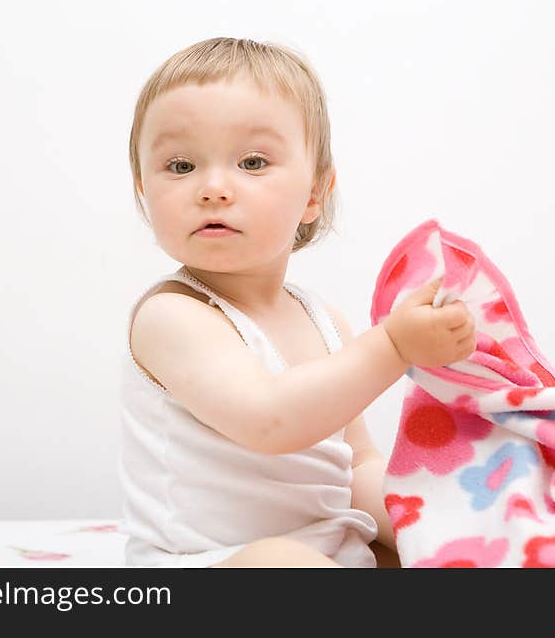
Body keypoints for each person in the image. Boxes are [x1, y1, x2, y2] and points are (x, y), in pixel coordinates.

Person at [118, 36, 477, 568]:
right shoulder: (172, 315)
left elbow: (354, 466)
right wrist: (395, 346)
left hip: (328, 550)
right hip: (212, 562)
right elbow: (271, 422)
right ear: (144, 191)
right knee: (281, 563)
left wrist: (426, 525)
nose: (213, 188)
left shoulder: (324, 322)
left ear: (314, 194)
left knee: (440, 551)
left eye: (253, 161)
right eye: (180, 167)